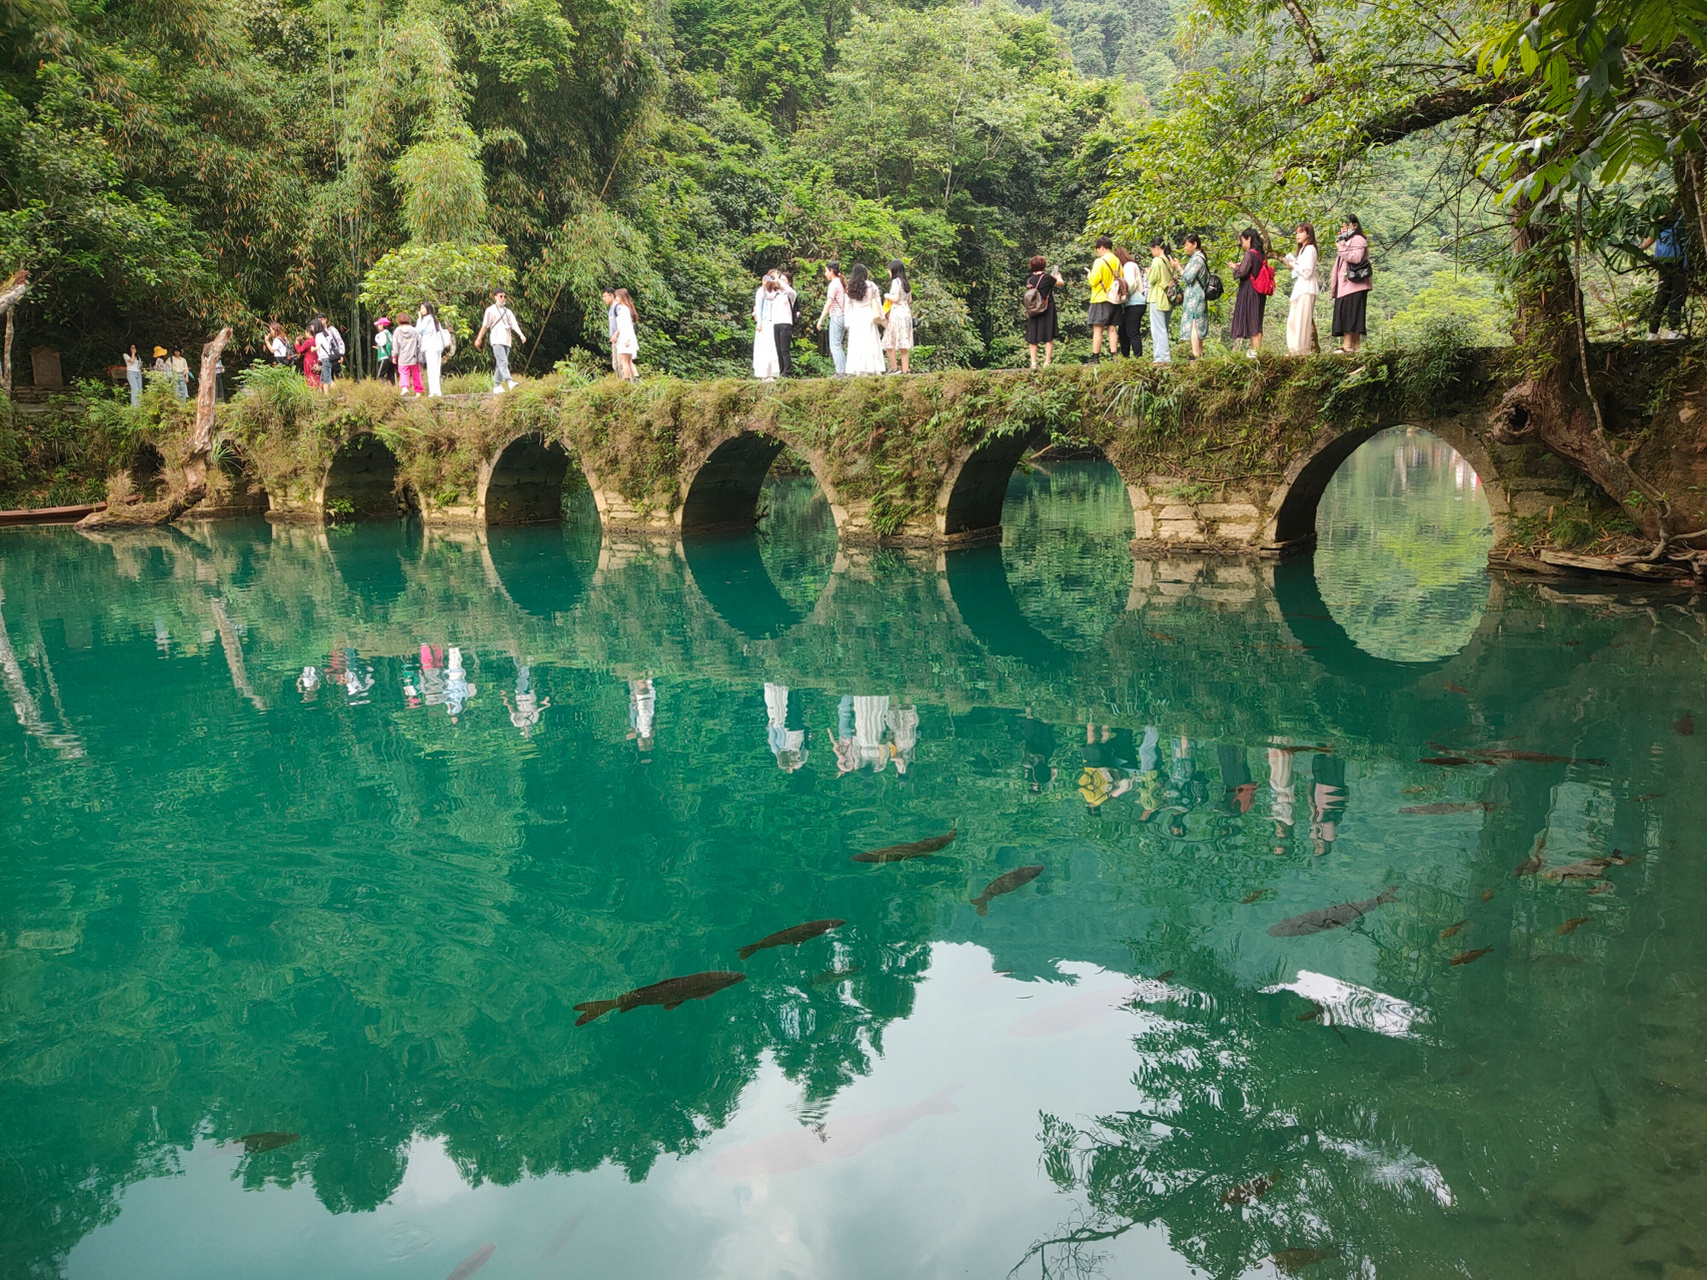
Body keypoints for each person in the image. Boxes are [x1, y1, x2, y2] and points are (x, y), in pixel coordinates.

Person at [1329, 216, 1372, 353]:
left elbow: (1357, 258)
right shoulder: (1347, 241)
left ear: (1354, 226)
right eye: (1341, 227)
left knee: (1352, 314)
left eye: (1345, 226)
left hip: (1355, 283)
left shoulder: (1358, 239)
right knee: (1350, 313)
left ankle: (1348, 346)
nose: (1343, 229)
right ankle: (1354, 346)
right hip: (1346, 285)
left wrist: (1341, 248)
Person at [1642, 212, 1688, 339]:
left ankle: (1652, 332)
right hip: (1678, 263)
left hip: (1662, 264)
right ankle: (1673, 330)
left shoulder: (1660, 225)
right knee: (1676, 295)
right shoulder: (1681, 222)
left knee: (1662, 295)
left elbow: (1645, 244)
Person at [474, 289, 525, 392]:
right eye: (501, 296)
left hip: (507, 340)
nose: (503, 298)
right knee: (503, 362)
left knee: (500, 363)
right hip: (496, 340)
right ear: (495, 297)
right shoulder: (490, 310)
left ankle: (496, 386)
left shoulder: (508, 311)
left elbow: (514, 324)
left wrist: (521, 335)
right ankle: (509, 381)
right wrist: (479, 338)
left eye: (504, 296)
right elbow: (485, 326)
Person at [1229, 228, 1268, 357]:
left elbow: (1242, 272)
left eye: (1243, 241)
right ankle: (1254, 350)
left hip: (1250, 290)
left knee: (1253, 321)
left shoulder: (1249, 253)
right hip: (1260, 291)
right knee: (1257, 319)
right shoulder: (1260, 253)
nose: (1242, 244)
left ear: (1249, 239)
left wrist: (1235, 268)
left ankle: (1256, 352)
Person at [843, 262, 885, 375]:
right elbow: (878, 302)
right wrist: (882, 317)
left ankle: (859, 369)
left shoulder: (850, 287)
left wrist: (847, 322)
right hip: (868, 315)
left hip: (856, 317)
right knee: (871, 341)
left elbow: (847, 306)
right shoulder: (871, 285)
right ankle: (874, 368)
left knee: (857, 343)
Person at [1284, 223, 1320, 356]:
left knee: (1302, 320)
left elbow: (1308, 272)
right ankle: (1294, 349)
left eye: (1301, 232)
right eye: (1297, 233)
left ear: (1308, 234)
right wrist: (1294, 265)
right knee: (1294, 319)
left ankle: (1302, 350)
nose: (1297, 235)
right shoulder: (1303, 249)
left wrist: (1294, 266)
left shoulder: (1310, 249)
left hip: (1307, 287)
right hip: (1301, 287)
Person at [1024, 256, 1064, 369]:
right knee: (1049, 336)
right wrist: (1058, 277)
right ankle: (1047, 362)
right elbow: (1060, 283)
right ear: (1044, 266)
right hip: (1047, 309)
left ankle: (1033, 363)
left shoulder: (1029, 280)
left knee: (1033, 338)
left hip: (1034, 310)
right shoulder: (1047, 278)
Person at [1086, 235, 1121, 361]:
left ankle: (1095, 356)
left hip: (1101, 298)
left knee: (1098, 328)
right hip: (1115, 298)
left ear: (1101, 248)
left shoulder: (1099, 262)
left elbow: (1093, 281)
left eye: (1097, 249)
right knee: (1112, 328)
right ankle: (1114, 356)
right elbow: (1120, 278)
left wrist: (1089, 275)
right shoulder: (1117, 261)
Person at [1177, 234, 1209, 361]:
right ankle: (1199, 355)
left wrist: (1179, 268)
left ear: (1195, 244)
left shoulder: (1197, 259)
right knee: (1198, 325)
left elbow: (1188, 277)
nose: (1185, 248)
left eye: (1187, 245)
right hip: (1198, 296)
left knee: (1194, 325)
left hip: (1195, 297)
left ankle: (1195, 355)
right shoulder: (1200, 258)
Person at [1146, 238, 1178, 364]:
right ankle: (1161, 356)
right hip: (1168, 299)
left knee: (1158, 329)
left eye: (1152, 249)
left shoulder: (1157, 261)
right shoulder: (1169, 261)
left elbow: (1152, 279)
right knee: (1164, 328)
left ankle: (1162, 357)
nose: (1152, 252)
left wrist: (1148, 272)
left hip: (1157, 298)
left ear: (1157, 247)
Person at [764, 683, 809, 772]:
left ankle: (781, 687)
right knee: (786, 705)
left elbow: (773, 738)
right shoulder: (789, 750)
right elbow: (806, 747)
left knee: (779, 704)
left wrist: (771, 725)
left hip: (781, 724)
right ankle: (791, 688)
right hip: (784, 726)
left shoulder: (777, 749)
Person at [752, 272, 787, 380]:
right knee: (765, 348)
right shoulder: (761, 292)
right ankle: (765, 374)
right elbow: (759, 307)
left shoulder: (777, 293)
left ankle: (773, 373)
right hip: (765, 322)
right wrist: (759, 324)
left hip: (775, 322)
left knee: (774, 349)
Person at [882, 259, 914, 374]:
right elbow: (909, 300)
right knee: (903, 341)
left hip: (897, 313)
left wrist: (887, 295)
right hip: (906, 312)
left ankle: (894, 367)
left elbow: (895, 299)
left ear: (893, 270)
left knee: (889, 341)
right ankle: (905, 369)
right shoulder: (906, 282)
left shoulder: (896, 282)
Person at [503, 662, 551, 738]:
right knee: (526, 677)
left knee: (523, 676)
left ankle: (522, 660)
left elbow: (512, 710)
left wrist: (505, 699)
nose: (528, 730)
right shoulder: (534, 720)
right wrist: (545, 704)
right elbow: (537, 710)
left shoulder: (517, 723)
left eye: (527, 732)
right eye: (529, 732)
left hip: (521, 697)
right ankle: (523, 660)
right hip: (530, 696)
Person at [817, 262, 848, 375]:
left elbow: (829, 303)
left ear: (831, 271)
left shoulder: (833, 284)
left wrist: (820, 319)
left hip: (836, 316)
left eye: (826, 271)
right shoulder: (840, 283)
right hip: (843, 316)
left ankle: (840, 371)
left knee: (834, 345)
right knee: (838, 344)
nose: (825, 274)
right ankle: (843, 370)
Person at [1119, 247, 1146, 359]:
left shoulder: (1128, 265)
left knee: (1132, 332)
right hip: (1133, 304)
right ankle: (1126, 357)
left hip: (1134, 303)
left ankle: (1138, 357)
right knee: (1123, 332)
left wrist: (1123, 294)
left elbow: (1131, 284)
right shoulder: (1132, 264)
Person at [772, 270, 798, 377]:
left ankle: (787, 373)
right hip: (776, 323)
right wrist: (766, 282)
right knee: (778, 350)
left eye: (784, 280)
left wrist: (778, 279)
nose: (780, 282)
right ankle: (781, 370)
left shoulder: (791, 294)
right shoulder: (776, 294)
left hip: (786, 324)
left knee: (784, 349)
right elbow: (764, 294)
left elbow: (788, 289)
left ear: (789, 282)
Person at [416, 302, 445, 397]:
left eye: (423, 308)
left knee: (431, 369)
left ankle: (433, 391)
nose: (421, 310)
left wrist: (419, 318)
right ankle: (437, 391)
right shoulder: (434, 319)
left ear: (428, 309)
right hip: (437, 347)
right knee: (436, 369)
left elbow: (418, 330)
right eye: (421, 308)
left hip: (430, 347)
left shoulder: (427, 318)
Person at [613, 288, 639, 380]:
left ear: (621, 297)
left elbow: (624, 326)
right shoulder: (628, 309)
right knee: (629, 361)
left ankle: (626, 381)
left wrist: (626, 340)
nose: (616, 299)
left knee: (624, 361)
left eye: (617, 297)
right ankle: (637, 379)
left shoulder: (623, 310)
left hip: (625, 338)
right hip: (628, 337)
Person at [393, 313, 422, 395]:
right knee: (416, 373)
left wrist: (394, 356)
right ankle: (418, 392)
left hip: (403, 356)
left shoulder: (397, 331)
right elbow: (419, 342)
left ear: (398, 321)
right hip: (414, 356)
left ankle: (405, 387)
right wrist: (420, 354)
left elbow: (395, 344)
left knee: (403, 372)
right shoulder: (414, 330)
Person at [628, 676, 656, 759]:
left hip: (641, 703)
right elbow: (645, 717)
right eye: (640, 745)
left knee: (640, 684)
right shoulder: (645, 732)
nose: (638, 743)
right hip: (642, 701)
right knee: (642, 684)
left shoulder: (646, 731)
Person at [318, 315, 346, 387]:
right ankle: (331, 394)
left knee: (338, 375)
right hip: (326, 357)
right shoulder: (319, 332)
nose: (320, 322)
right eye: (319, 320)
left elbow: (339, 341)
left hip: (334, 355)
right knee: (328, 377)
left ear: (325, 319)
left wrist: (341, 354)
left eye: (322, 319)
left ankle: (342, 390)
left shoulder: (331, 329)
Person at [373, 317, 395, 384]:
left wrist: (377, 341)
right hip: (391, 357)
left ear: (382, 325)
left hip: (384, 356)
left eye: (379, 324)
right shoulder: (389, 334)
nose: (378, 326)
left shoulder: (382, 334)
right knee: (390, 375)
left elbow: (382, 343)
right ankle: (394, 389)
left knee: (380, 375)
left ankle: (386, 389)